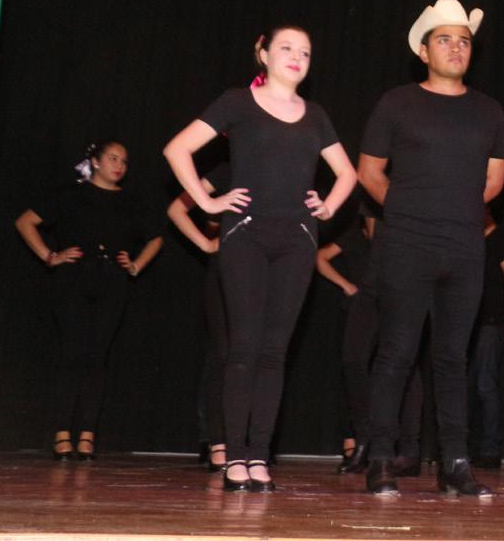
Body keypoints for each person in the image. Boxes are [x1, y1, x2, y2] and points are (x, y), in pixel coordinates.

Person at [164, 25, 357, 492]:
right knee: (244, 347)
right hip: (246, 236)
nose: (296, 57)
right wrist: (208, 202)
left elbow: (348, 174)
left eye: (305, 52)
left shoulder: (316, 115)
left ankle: (259, 456)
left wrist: (328, 206)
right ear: (263, 54)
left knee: (274, 352)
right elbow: (177, 148)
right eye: (286, 48)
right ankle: (235, 455)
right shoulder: (237, 103)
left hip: (297, 240)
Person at [357, 0, 504, 496]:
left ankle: (455, 463)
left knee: (452, 358)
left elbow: (494, 180)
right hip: (406, 243)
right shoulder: (396, 103)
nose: (456, 48)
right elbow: (369, 171)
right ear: (424, 51)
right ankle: (381, 457)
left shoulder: (489, 111)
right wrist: (410, 211)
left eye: (463, 41)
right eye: (444, 40)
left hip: (464, 247)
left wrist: (453, 209)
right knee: (396, 351)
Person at [15, 141, 163, 461]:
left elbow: (156, 236)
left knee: (97, 356)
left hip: (112, 281)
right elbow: (25, 221)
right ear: (95, 161)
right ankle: (61, 433)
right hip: (73, 279)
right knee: (72, 353)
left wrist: (136, 265)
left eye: (124, 161)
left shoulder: (130, 200)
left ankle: (87, 434)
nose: (119, 165)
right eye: (112, 158)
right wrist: (49, 256)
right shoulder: (71, 193)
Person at [314, 203, 425, 476]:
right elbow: (325, 255)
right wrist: (348, 286)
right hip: (372, 283)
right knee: (353, 359)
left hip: (405, 273)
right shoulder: (359, 227)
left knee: (404, 362)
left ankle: (409, 450)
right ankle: (364, 439)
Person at [166, 163, 232, 471]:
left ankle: (247, 442)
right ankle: (217, 441)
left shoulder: (282, 167)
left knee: (256, 356)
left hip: (266, 274)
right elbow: (177, 209)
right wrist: (207, 243)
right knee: (223, 355)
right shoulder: (227, 171)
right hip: (226, 272)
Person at [468, 208, 504, 469]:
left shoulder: (501, 240)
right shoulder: (473, 242)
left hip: (490, 323)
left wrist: (503, 320)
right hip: (471, 323)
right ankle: (467, 447)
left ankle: (491, 449)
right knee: (468, 385)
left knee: (485, 384)